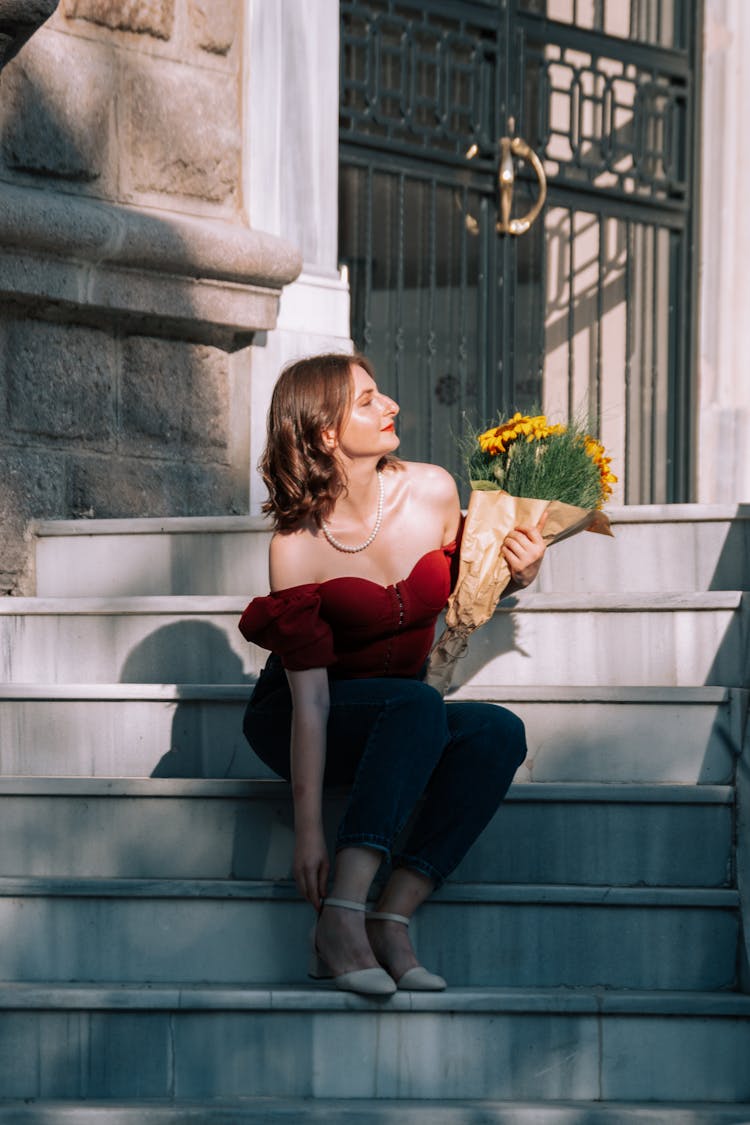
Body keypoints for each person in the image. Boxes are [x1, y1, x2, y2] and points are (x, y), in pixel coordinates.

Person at [239, 353, 546, 996]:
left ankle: (391, 916)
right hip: (310, 712)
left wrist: (519, 570)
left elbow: (473, 588)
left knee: (496, 733)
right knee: (414, 705)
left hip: (406, 715)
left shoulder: (432, 489)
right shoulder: (294, 546)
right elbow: (312, 705)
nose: (391, 406)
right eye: (369, 400)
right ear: (326, 432)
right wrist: (309, 835)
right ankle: (339, 919)